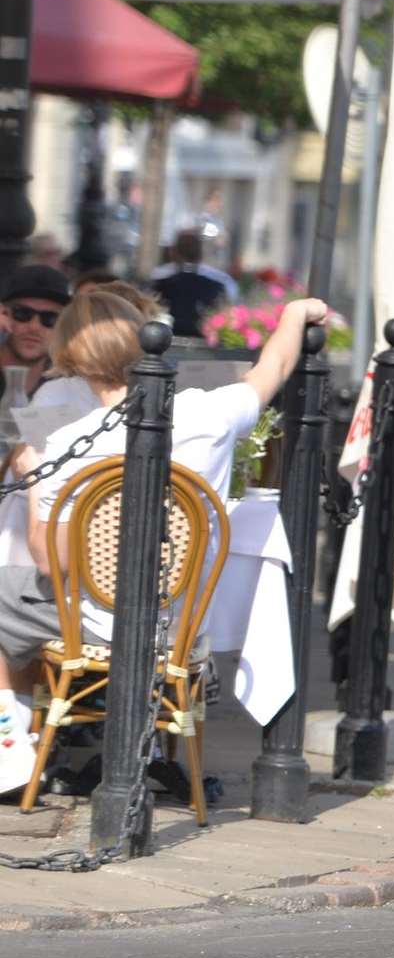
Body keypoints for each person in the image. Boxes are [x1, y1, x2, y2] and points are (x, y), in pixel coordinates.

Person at [0, 293, 331, 698]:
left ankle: (13, 734)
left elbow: (53, 562)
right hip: (184, 622)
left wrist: (34, 478)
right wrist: (296, 313)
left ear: (69, 356)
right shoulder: (213, 414)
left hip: (97, 624)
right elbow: (275, 366)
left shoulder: (69, 444)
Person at [0, 264, 71, 408]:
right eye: (23, 313)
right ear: (4, 313)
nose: (34, 326)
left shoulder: (68, 384)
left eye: (49, 318)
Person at [151, 230, 231, 339]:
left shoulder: (160, 282)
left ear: (174, 253)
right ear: (201, 254)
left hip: (166, 340)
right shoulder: (217, 284)